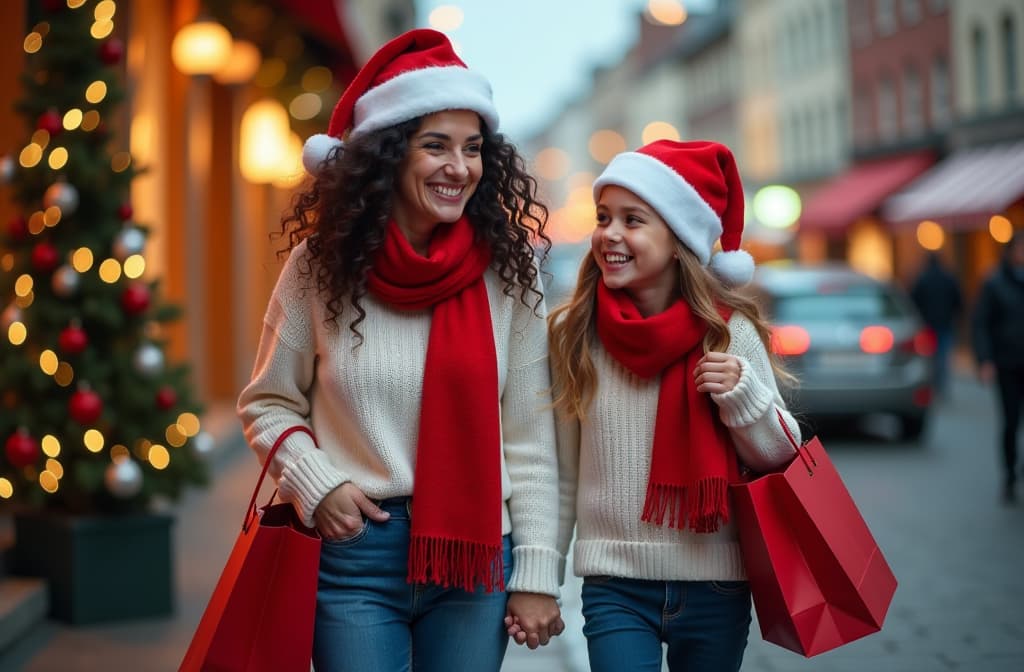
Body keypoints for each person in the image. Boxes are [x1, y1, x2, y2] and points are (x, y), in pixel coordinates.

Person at [236, 29, 563, 672]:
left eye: (472, 149)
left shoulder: (510, 271)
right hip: (356, 552)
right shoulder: (320, 269)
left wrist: (537, 574)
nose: (458, 167)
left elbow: (530, 438)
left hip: (475, 558)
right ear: (388, 154)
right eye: (435, 146)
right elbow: (268, 402)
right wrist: (316, 483)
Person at [543, 140, 800, 672]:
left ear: (679, 240)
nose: (609, 234)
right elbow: (561, 472)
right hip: (614, 584)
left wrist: (744, 398)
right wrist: (543, 579)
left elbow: (783, 455)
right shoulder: (574, 333)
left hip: (716, 584)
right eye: (604, 217)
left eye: (632, 220)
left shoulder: (730, 334)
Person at [973, 233, 1024, 504]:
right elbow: (981, 323)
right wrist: (985, 360)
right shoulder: (995, 284)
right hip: (1007, 364)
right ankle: (1009, 474)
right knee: (1011, 421)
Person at [910, 252, 963, 396]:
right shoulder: (949, 278)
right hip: (945, 323)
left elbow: (914, 301)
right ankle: (942, 385)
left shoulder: (922, 279)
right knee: (943, 356)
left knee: (931, 357)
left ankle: (933, 384)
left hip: (928, 325)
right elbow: (958, 300)